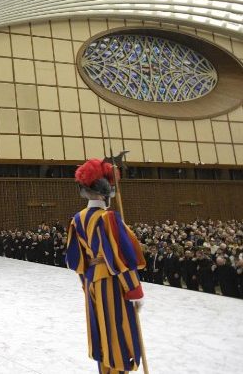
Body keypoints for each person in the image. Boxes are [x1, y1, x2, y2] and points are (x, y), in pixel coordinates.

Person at [65, 158, 145, 374]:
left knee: (102, 330)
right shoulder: (108, 218)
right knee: (118, 331)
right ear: (105, 192)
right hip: (111, 281)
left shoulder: (77, 219)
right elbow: (121, 257)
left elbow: (76, 260)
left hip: (91, 279)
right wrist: (134, 289)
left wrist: (86, 283)